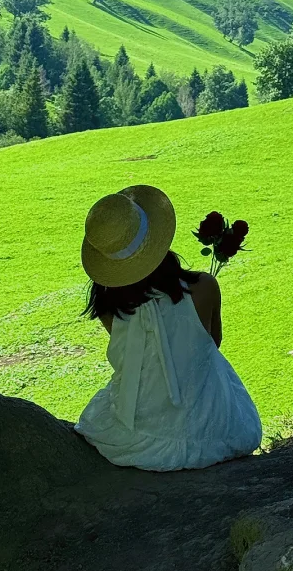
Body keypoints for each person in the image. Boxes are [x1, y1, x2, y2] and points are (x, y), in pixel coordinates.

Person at [74, 183, 262, 470]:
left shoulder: (109, 308)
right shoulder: (204, 287)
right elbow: (212, 344)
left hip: (136, 431)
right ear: (156, 241)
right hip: (209, 426)